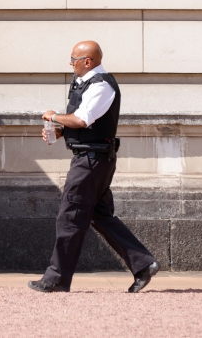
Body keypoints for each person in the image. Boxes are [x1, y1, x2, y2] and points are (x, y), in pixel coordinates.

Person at [28, 40, 160, 293]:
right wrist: (59, 130)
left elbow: (82, 119)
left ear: (88, 61)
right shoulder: (84, 84)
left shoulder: (101, 85)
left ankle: (55, 280)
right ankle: (144, 264)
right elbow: (82, 123)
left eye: (73, 59)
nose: (70, 63)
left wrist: (53, 116)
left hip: (90, 162)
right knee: (100, 216)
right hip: (92, 158)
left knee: (70, 216)